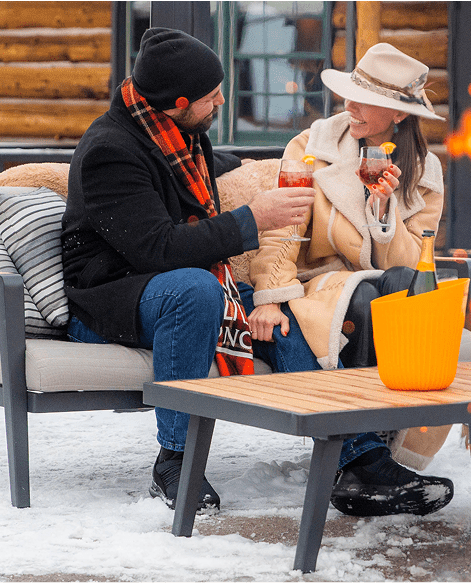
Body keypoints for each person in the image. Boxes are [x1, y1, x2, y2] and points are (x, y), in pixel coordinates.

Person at [61, 28, 315, 512]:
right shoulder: (108, 153)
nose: (222, 100)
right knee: (196, 289)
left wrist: (247, 165)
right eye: (211, 96)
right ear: (177, 102)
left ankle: (355, 456)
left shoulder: (179, 136)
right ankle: (175, 462)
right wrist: (252, 219)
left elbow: (191, 169)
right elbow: (158, 249)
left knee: (279, 307)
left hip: (174, 287)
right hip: (110, 300)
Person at [242, 43, 455, 517]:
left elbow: (418, 261)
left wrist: (384, 208)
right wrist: (271, 296)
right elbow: (284, 228)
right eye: (349, 95)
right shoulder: (310, 147)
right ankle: (363, 458)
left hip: (383, 283)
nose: (349, 106)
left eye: (363, 99)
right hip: (317, 284)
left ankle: (368, 456)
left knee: (399, 285)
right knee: (363, 298)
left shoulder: (426, 174)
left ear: (398, 115)